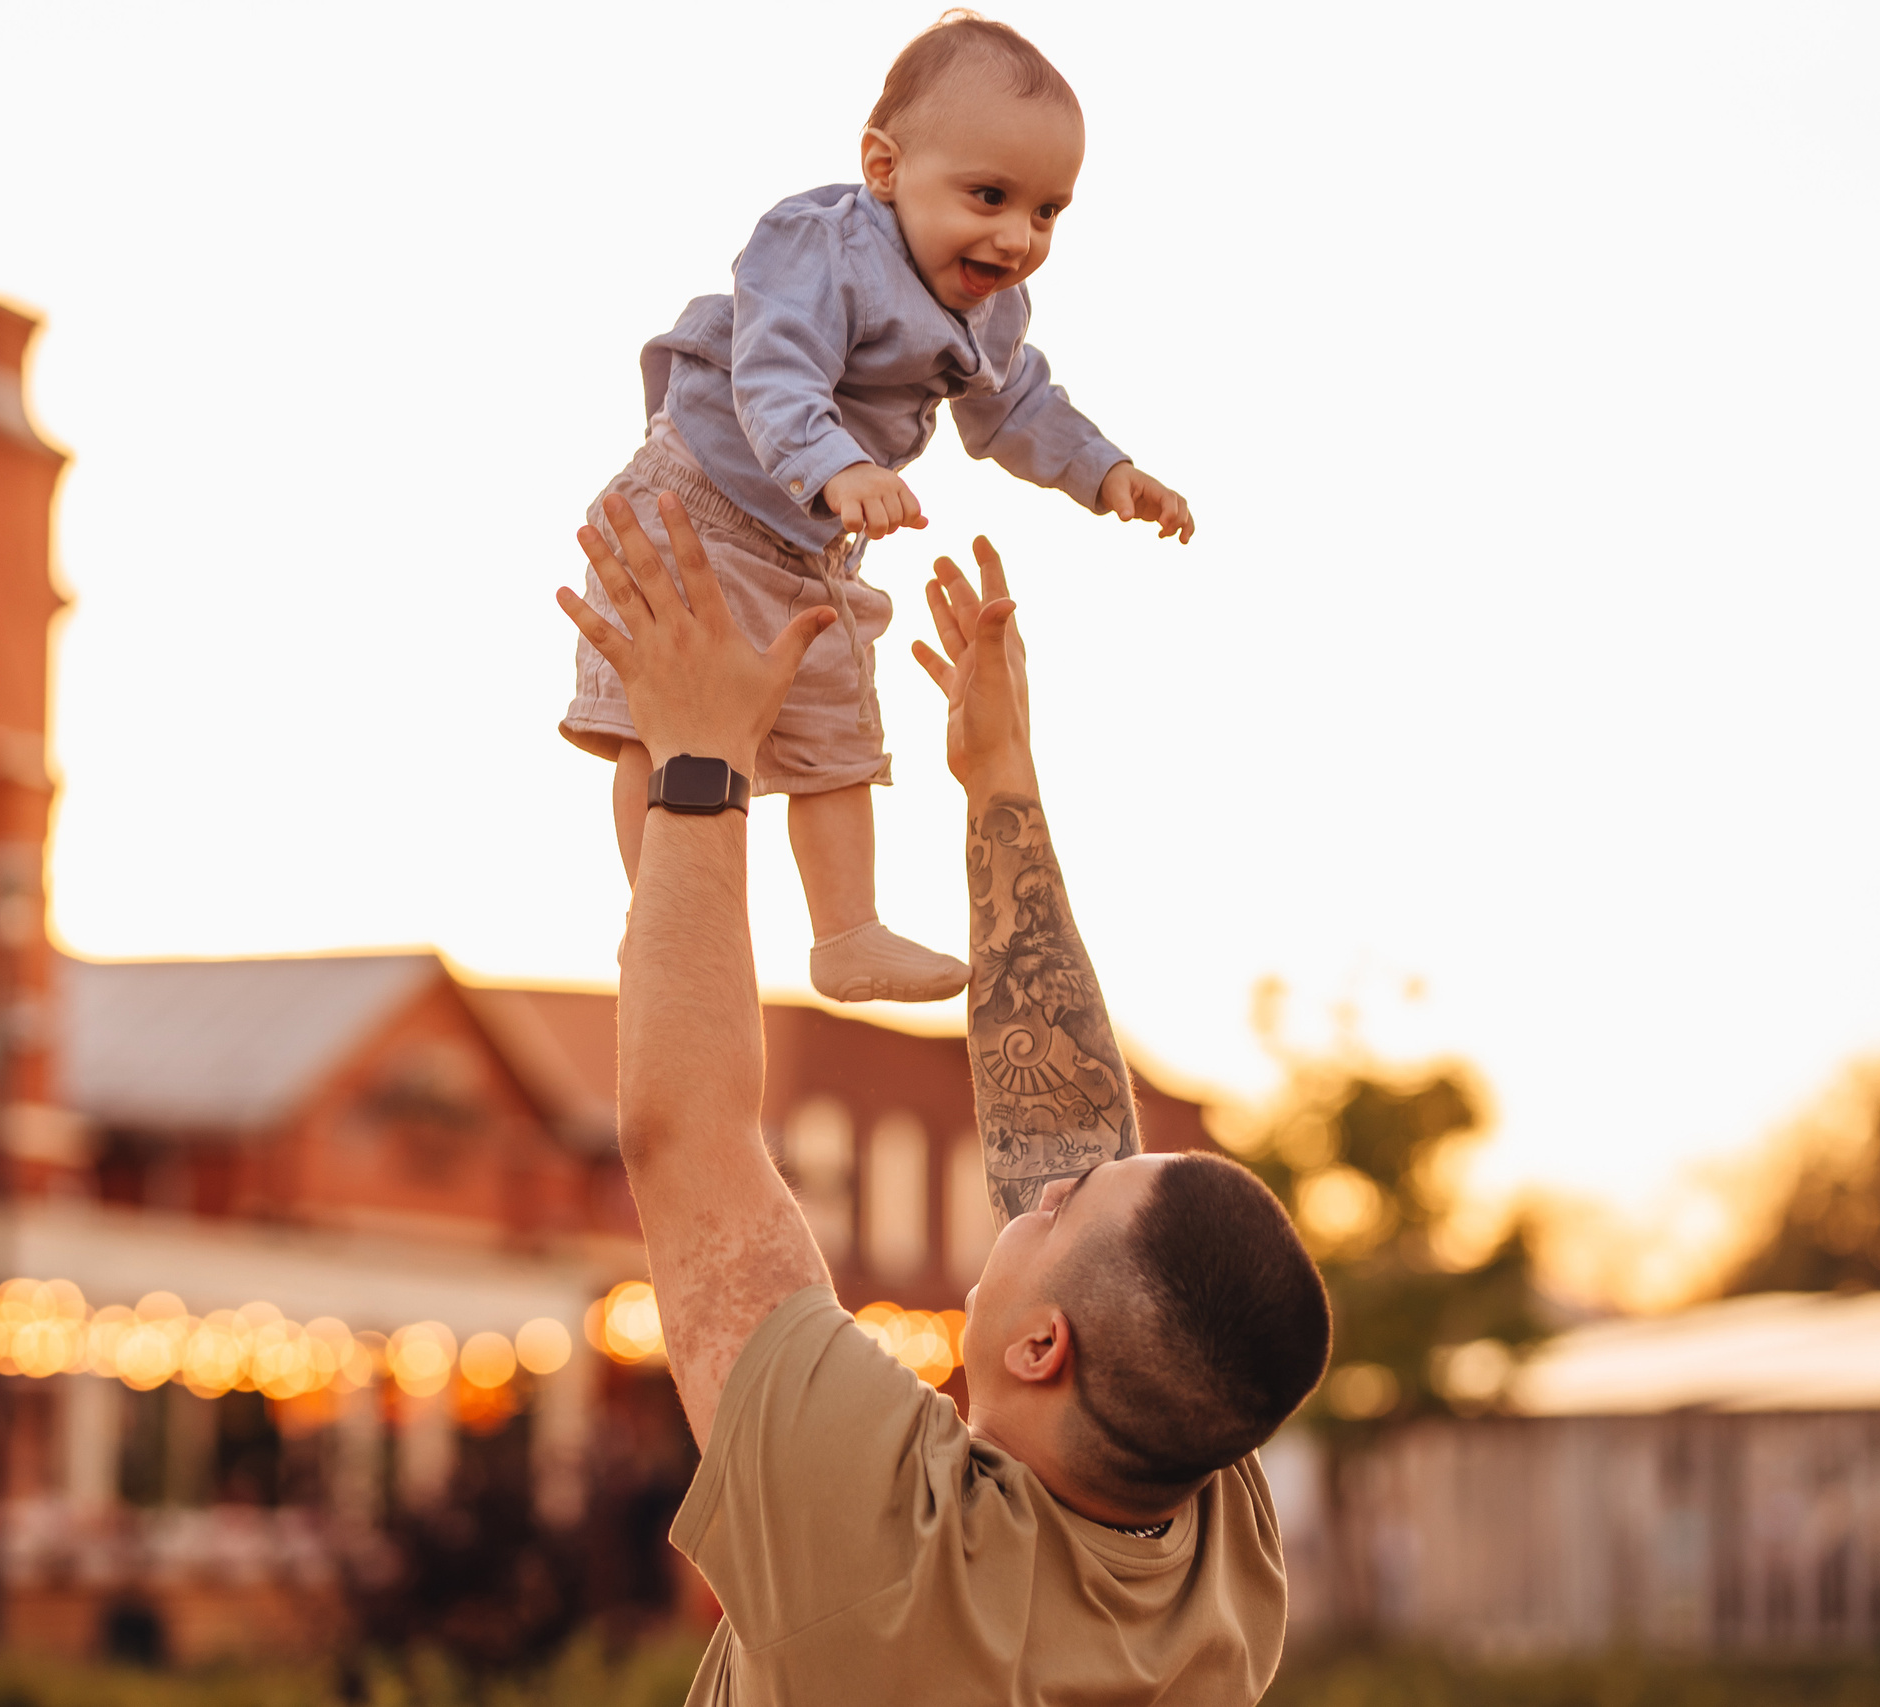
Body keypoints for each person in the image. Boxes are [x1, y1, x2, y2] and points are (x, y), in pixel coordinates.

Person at [554, 495, 1334, 1705]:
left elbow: (687, 1141)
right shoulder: (1206, 1553)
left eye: (1068, 1207)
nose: (1059, 1173)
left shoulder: (887, 1555)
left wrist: (702, 759)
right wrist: (1000, 789)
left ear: (1040, 1347)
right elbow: (1078, 1160)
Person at [558, 12, 1196, 1007]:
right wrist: (835, 466)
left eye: (1047, 212)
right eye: (988, 196)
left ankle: (846, 936)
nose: (1016, 236)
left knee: (834, 736)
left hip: (811, 544)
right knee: (666, 721)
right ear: (885, 166)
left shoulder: (991, 308)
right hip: (702, 506)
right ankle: (662, 924)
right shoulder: (816, 247)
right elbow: (775, 371)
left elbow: (1015, 403)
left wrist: (1107, 474)